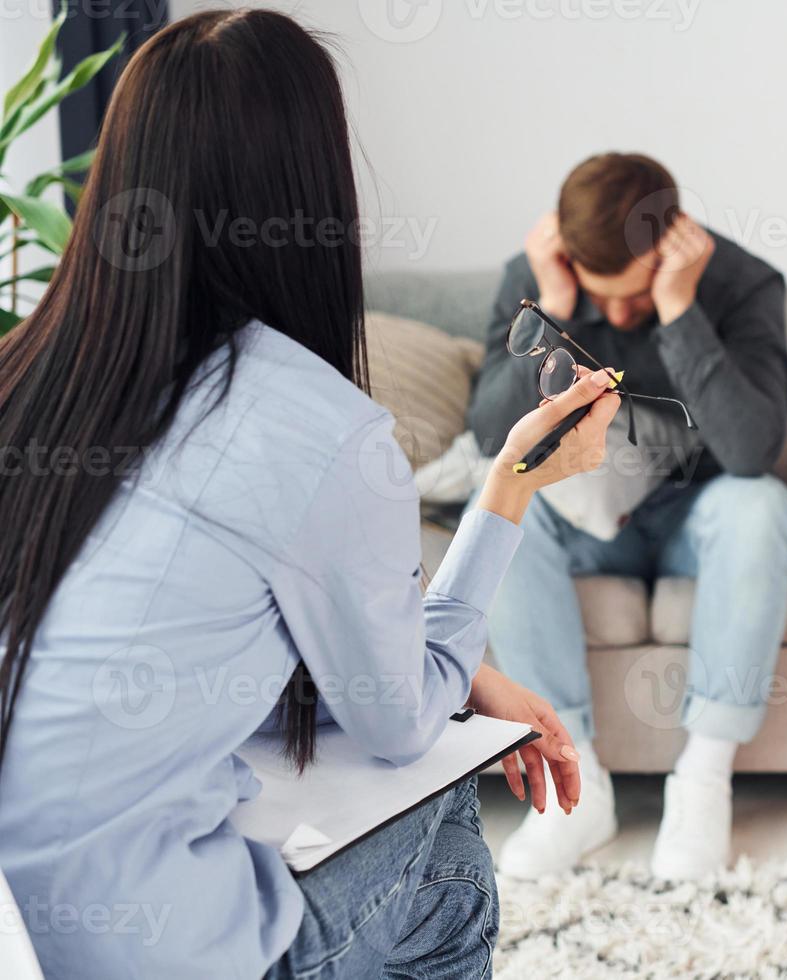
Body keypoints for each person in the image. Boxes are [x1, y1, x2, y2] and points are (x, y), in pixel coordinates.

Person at [0, 11, 621, 978]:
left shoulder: (33, 378)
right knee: (445, 827)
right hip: (143, 953)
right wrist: (512, 484)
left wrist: (449, 675)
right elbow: (398, 722)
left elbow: (174, 642)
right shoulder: (316, 424)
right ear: (309, 192)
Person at [465, 153, 787, 880]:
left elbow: (751, 451)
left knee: (763, 506)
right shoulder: (538, 280)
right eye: (601, 295)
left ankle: (703, 781)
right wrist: (551, 309)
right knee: (503, 495)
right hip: (585, 523)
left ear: (672, 243)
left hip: (696, 520)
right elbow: (493, 439)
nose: (618, 315)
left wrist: (680, 311)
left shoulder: (743, 284)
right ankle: (575, 783)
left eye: (636, 291)